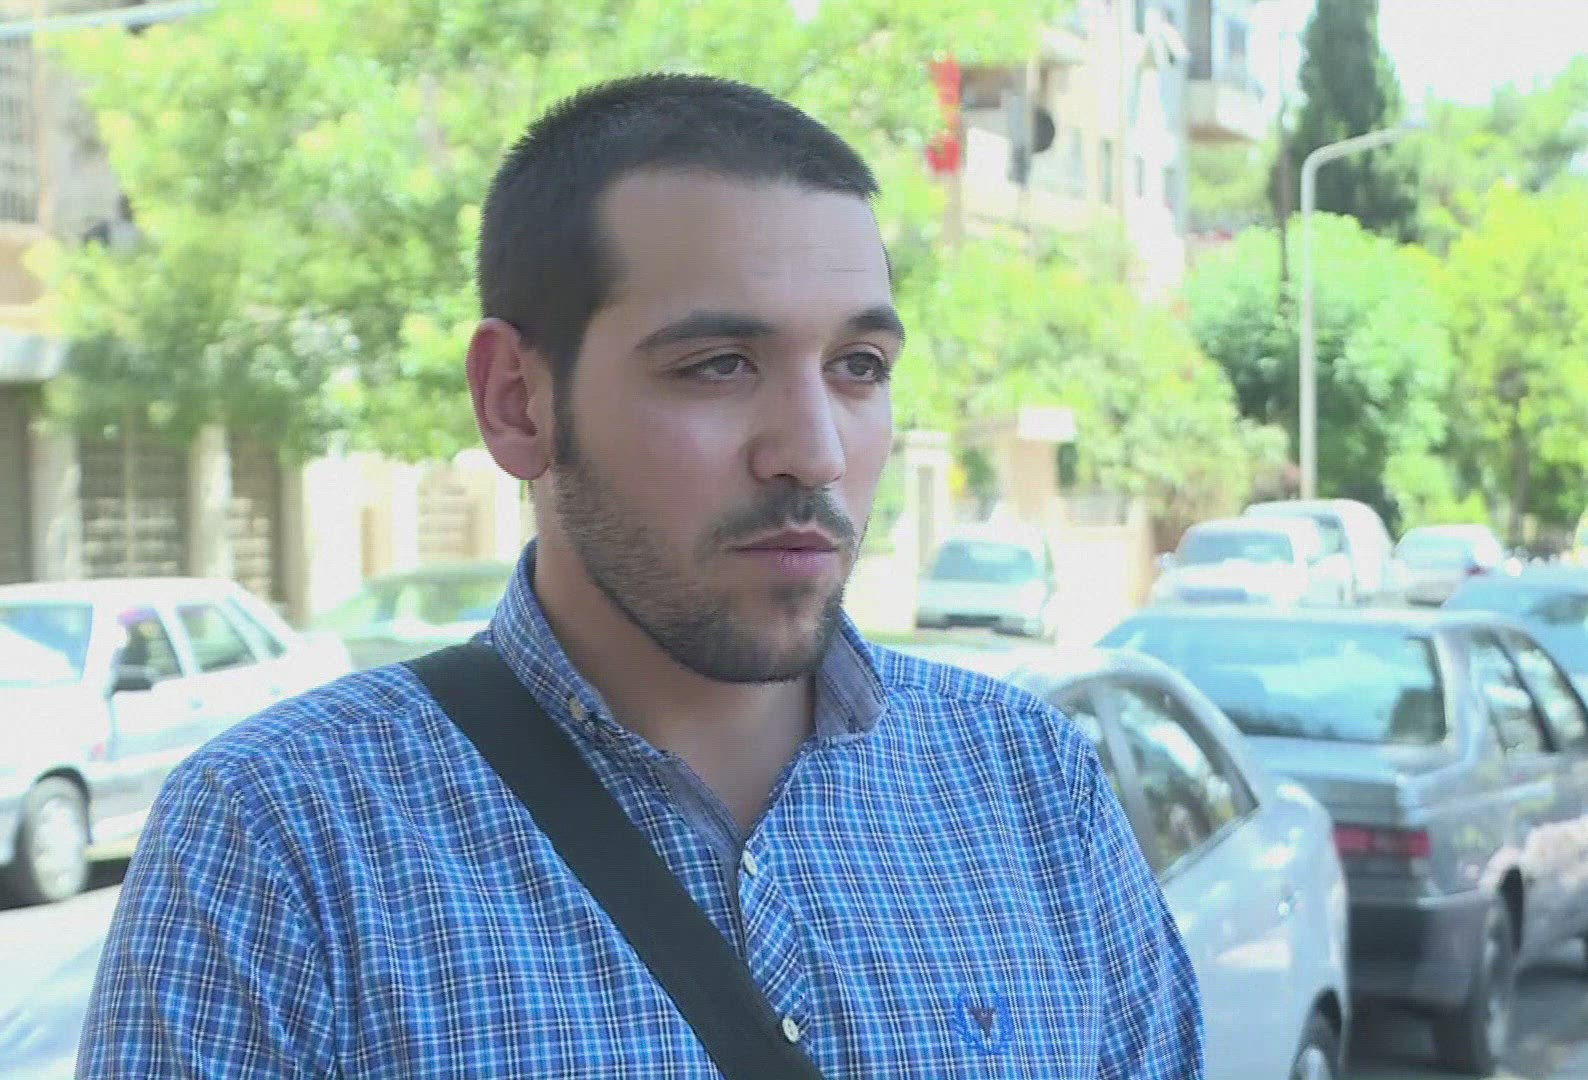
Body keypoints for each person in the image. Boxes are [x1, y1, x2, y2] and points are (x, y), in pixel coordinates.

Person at [77, 75, 1202, 1076]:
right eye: (718, 366)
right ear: (517, 402)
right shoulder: (281, 838)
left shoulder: (1029, 785)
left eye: (859, 366)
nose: (813, 451)